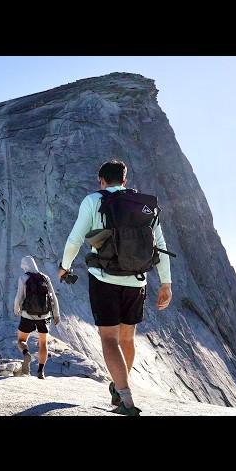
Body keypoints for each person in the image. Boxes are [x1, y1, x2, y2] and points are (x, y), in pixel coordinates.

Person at [58, 160, 173, 416]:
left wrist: (64, 266)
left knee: (109, 338)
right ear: (125, 180)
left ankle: (126, 400)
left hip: (104, 278)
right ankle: (120, 388)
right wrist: (166, 282)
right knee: (127, 338)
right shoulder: (142, 205)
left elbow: (75, 238)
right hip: (136, 280)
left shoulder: (92, 200)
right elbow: (161, 243)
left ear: (101, 180)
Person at [13, 255, 61, 379]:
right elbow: (53, 297)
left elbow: (19, 296)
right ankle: (41, 371)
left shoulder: (24, 278)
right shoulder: (45, 277)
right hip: (44, 316)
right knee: (43, 343)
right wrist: (56, 314)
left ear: (25, 265)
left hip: (27, 315)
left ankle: (26, 353)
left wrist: (16, 308)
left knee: (21, 340)